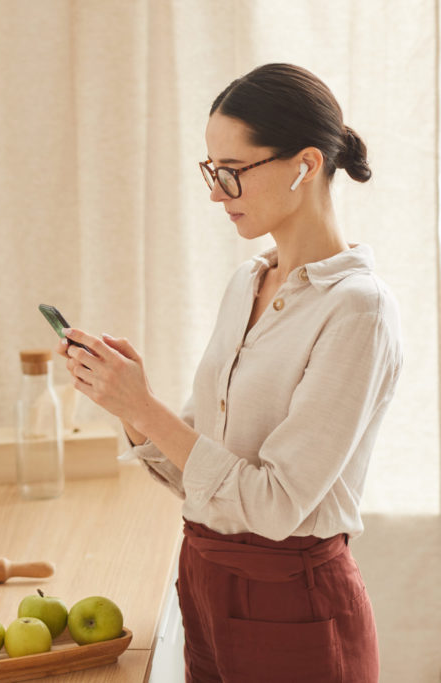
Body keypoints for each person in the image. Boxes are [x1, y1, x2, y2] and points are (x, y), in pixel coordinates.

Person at [57, 63, 401, 683]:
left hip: (294, 603)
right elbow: (205, 472)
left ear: (305, 165)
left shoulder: (358, 310)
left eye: (233, 173)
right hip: (206, 581)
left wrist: (145, 411)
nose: (216, 193)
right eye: (211, 172)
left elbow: (274, 507)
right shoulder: (247, 282)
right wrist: (130, 405)